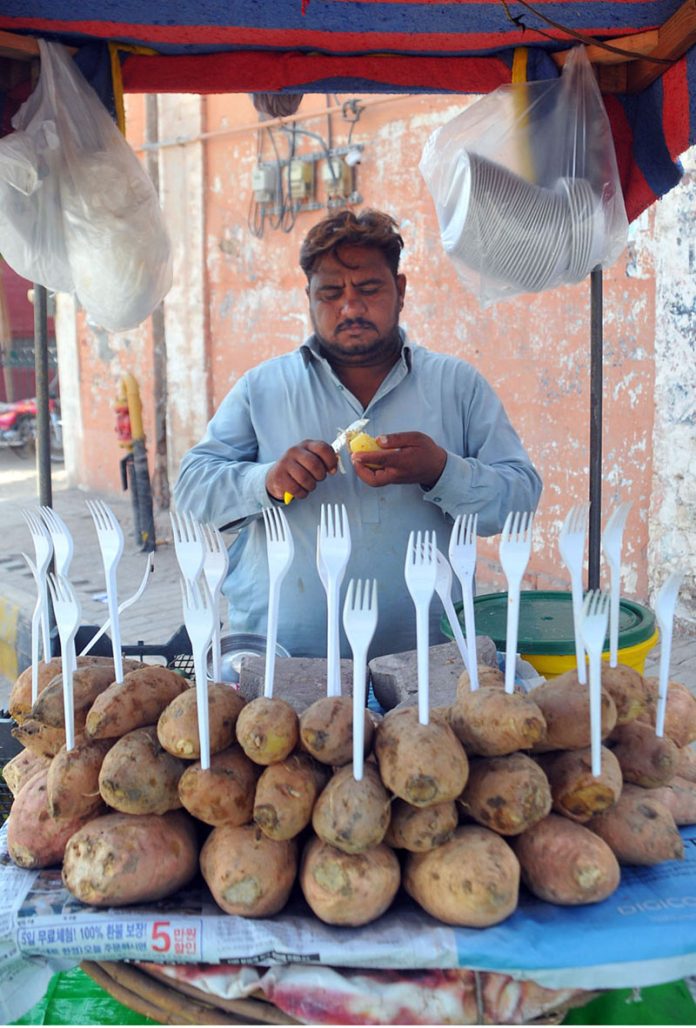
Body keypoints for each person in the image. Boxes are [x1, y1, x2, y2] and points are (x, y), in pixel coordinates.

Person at [174, 209, 542, 659]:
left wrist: (442, 471)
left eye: (369, 289)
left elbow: (521, 497)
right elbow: (192, 492)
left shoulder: (457, 385)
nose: (350, 308)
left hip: (426, 661)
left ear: (400, 291)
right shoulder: (262, 388)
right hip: (284, 661)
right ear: (308, 298)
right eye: (330, 294)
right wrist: (266, 481)